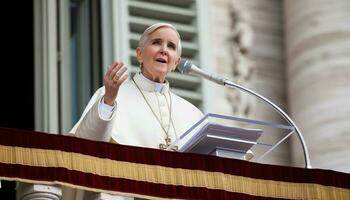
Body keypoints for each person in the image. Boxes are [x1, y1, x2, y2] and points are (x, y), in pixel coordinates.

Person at [69, 23, 203, 151]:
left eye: (171, 46)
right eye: (156, 42)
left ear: (176, 63)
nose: (164, 50)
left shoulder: (192, 114)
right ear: (139, 54)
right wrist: (109, 100)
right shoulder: (110, 97)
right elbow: (85, 146)